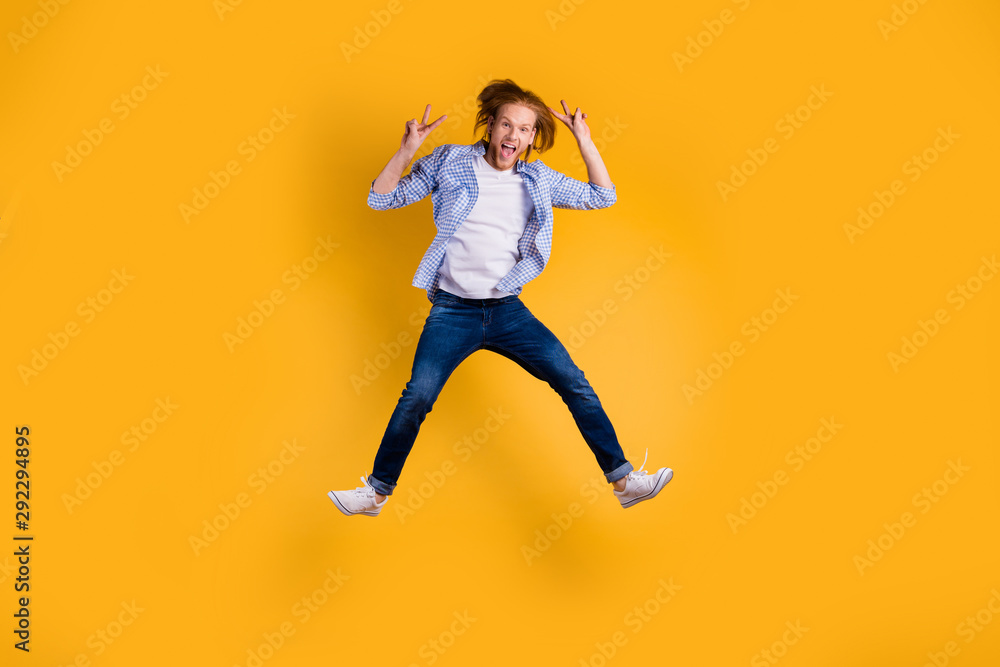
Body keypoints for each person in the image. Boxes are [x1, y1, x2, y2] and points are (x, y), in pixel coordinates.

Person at [329, 79, 672, 517]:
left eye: (524, 129)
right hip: (453, 311)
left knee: (574, 383)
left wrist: (585, 141)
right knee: (417, 397)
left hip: (507, 310)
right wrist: (407, 149)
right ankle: (375, 494)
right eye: (506, 124)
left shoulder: (537, 179)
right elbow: (383, 199)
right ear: (490, 126)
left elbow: (602, 196)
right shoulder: (450, 161)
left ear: (532, 139)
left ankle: (624, 483)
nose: (513, 136)